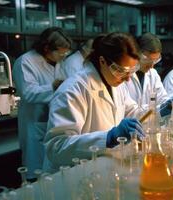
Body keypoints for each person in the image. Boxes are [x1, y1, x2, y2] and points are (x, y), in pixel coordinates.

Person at [43, 32, 145, 173]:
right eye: (122, 71)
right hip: (71, 175)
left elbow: (133, 112)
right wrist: (108, 138)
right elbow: (56, 148)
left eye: (132, 71)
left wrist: (160, 110)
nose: (128, 79)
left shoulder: (116, 84)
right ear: (102, 61)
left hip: (100, 168)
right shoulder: (73, 90)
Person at [12, 27, 72, 180]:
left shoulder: (59, 62)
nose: (63, 55)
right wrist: (53, 87)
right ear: (46, 48)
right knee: (36, 171)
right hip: (35, 123)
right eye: (61, 52)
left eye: (66, 53)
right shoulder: (25, 62)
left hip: (54, 122)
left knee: (55, 175)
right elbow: (28, 93)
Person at [124, 32, 173, 117]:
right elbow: (130, 110)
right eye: (147, 60)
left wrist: (169, 104)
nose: (152, 66)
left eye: (155, 61)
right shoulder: (125, 76)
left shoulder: (153, 74)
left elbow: (162, 99)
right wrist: (158, 110)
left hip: (149, 125)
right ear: (136, 53)